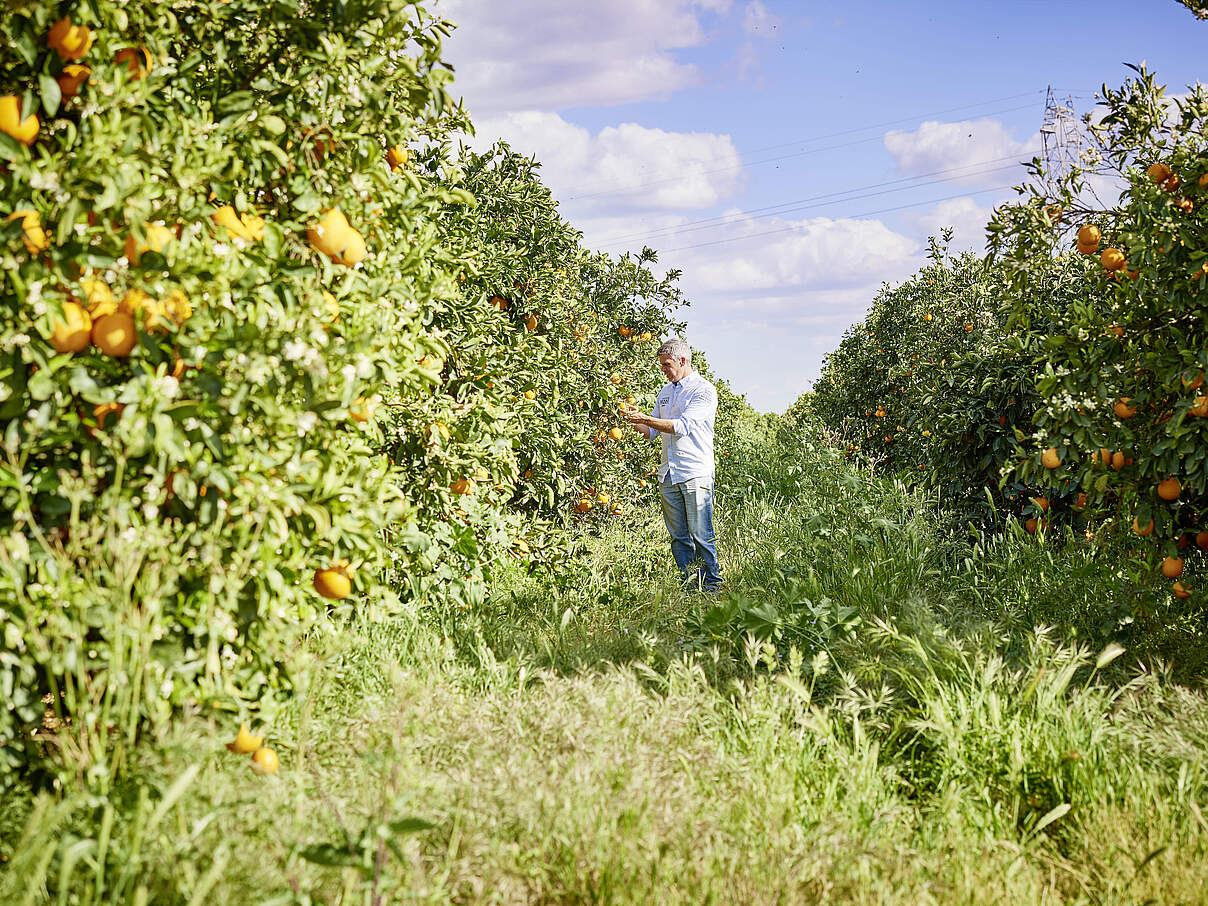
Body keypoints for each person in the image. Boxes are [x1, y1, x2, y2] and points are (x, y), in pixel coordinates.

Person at [624, 338, 722, 593]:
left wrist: (645, 417)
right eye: (661, 366)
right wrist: (630, 418)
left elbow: (681, 426)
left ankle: (712, 586)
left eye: (667, 365)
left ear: (682, 361)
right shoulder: (665, 393)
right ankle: (691, 585)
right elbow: (651, 431)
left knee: (701, 534)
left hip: (694, 472)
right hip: (668, 473)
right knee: (678, 536)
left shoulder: (703, 391)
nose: (664, 370)